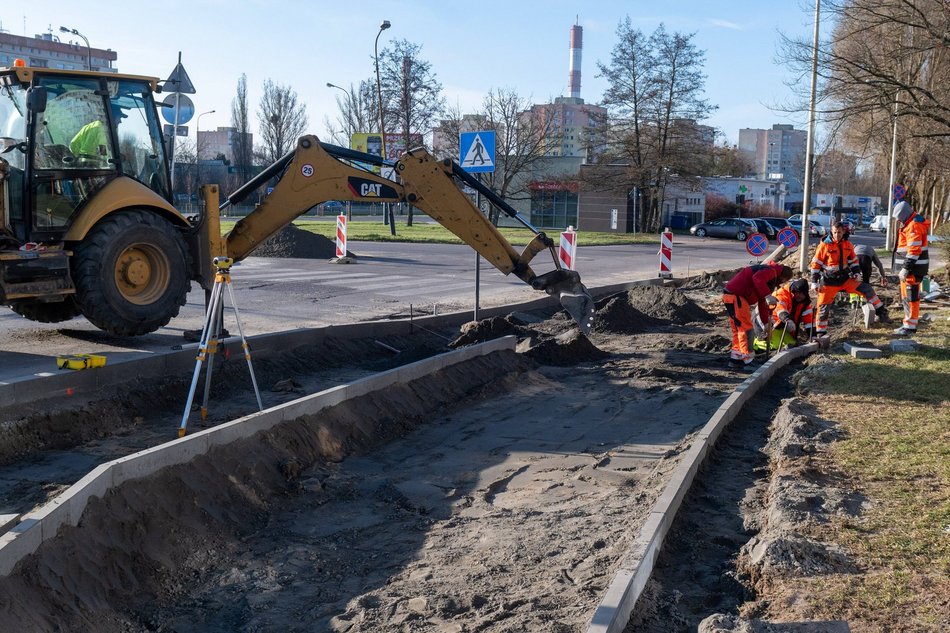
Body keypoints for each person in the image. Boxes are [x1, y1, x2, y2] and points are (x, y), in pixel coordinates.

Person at [809, 221, 890, 336]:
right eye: (835, 232)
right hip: (829, 281)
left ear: (844, 232)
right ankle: (821, 333)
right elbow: (816, 264)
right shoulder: (824, 245)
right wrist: (814, 281)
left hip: (845, 279)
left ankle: (882, 313)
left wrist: (857, 273)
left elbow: (853, 261)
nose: (837, 235)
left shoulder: (848, 245)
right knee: (823, 307)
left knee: (867, 289)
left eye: (839, 232)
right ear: (831, 232)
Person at [722, 262, 794, 372]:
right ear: (783, 277)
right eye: (784, 281)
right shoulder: (771, 271)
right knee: (746, 329)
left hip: (731, 295)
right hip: (737, 296)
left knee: (738, 328)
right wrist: (767, 295)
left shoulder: (768, 279)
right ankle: (748, 359)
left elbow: (762, 303)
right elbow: (757, 279)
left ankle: (736, 358)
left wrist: (766, 323)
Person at [892, 200, 930, 335]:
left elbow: (914, 250)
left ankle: (910, 327)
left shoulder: (913, 226)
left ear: (904, 215)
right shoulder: (910, 224)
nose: (897, 220)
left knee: (911, 297)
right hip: (911, 270)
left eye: (898, 217)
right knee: (907, 297)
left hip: (912, 270)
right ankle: (907, 325)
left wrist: (905, 268)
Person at [753, 277, 813, 351]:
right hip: (763, 322)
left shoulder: (803, 302)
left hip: (778, 325)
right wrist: (788, 320)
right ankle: (757, 343)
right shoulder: (782, 294)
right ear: (793, 291)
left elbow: (809, 321)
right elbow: (780, 309)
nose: (799, 296)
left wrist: (813, 336)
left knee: (792, 343)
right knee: (775, 346)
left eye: (802, 293)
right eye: (798, 292)